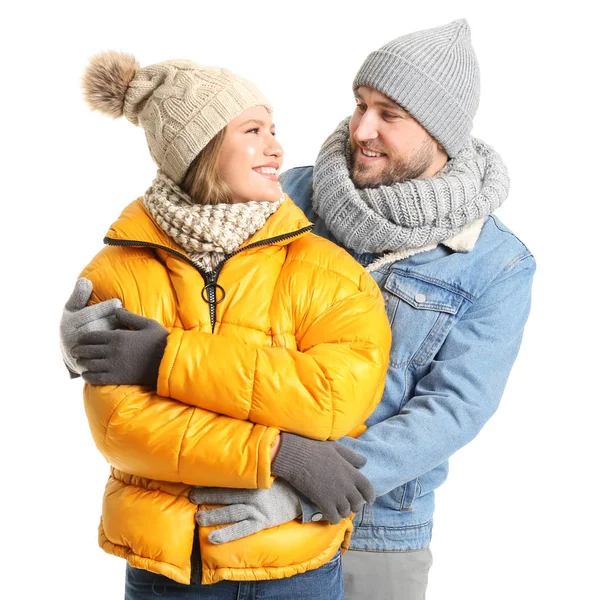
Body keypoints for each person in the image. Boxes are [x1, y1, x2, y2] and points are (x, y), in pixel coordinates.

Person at [62, 19, 536, 599]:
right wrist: (89, 339)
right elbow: (185, 287)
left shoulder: (495, 261)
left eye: (390, 115)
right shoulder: (290, 195)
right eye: (361, 104)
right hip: (226, 499)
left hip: (379, 521)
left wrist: (304, 481)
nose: (361, 128)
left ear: (441, 133)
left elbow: (454, 408)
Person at [62, 51, 393, 599]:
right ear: (200, 149)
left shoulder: (330, 270)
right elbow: (123, 427)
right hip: (173, 572)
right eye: (253, 130)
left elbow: (335, 397)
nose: (277, 148)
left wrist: (165, 358)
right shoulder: (116, 272)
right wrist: (280, 452)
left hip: (299, 564)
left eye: (274, 129)